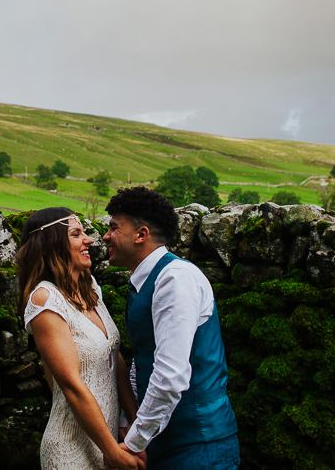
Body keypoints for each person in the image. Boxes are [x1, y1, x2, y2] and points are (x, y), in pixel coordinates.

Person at [103, 187, 239, 469]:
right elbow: (145, 360)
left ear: (141, 235)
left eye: (114, 228)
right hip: (166, 442)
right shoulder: (144, 281)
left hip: (199, 443)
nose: (105, 237)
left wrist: (133, 443)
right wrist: (130, 422)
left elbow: (170, 374)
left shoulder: (175, 279)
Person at [17, 207, 145, 470]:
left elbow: (115, 358)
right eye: (76, 234)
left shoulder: (91, 289)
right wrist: (113, 453)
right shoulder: (45, 299)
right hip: (70, 449)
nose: (89, 240)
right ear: (52, 244)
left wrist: (133, 421)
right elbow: (71, 384)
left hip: (106, 441)